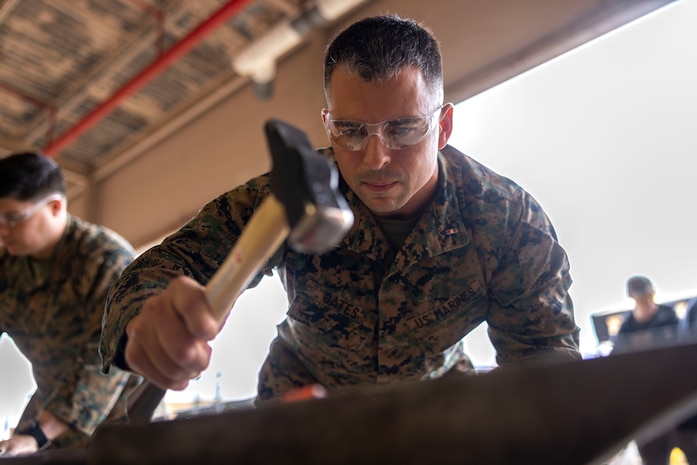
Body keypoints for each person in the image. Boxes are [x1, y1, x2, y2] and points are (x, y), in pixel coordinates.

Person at [100, 14, 581, 406]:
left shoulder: (507, 222)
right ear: (327, 123)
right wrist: (146, 317)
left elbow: (543, 362)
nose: (375, 158)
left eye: (404, 128)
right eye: (351, 130)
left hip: (432, 409)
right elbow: (163, 267)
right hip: (299, 403)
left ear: (445, 126)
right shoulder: (291, 195)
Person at [0, 152, 141, 455]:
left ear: (54, 206)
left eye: (12, 218)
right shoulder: (7, 269)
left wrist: (37, 435)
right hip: (52, 400)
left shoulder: (105, 259)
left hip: (122, 409)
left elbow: (105, 356)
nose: (2, 230)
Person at [611, 275, 695, 465]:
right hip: (648, 415)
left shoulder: (670, 318)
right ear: (632, 298)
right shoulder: (626, 329)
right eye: (641, 298)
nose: (646, 301)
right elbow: (617, 370)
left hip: (679, 411)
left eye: (648, 296)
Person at [611, 275, 680, 355]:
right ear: (632, 296)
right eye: (642, 299)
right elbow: (615, 356)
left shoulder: (668, 315)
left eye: (650, 296)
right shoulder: (627, 327)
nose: (648, 302)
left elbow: (685, 339)